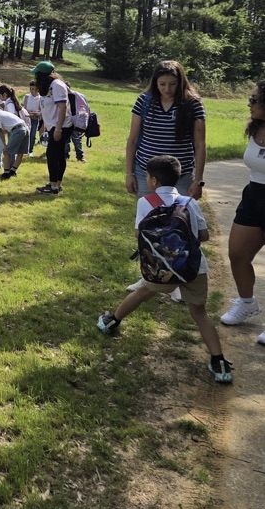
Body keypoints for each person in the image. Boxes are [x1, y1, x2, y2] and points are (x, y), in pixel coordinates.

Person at [97, 155, 233, 384]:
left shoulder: (145, 202)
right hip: (193, 268)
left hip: (161, 270)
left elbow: (139, 234)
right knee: (199, 314)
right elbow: (204, 236)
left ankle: (111, 321)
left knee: (141, 293)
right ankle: (219, 363)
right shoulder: (190, 203)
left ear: (152, 180)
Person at [219, 81, 265, 338]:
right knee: (237, 254)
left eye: (255, 100)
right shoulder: (255, 127)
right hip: (254, 195)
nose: (250, 103)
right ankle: (247, 303)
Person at [125, 60, 206, 199]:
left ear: (180, 82)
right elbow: (132, 140)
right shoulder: (144, 101)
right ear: (155, 82)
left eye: (172, 84)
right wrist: (129, 174)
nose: (167, 89)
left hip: (181, 176)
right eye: (162, 84)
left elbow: (200, 145)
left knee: (178, 218)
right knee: (148, 218)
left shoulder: (193, 104)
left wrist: (198, 181)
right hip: (147, 175)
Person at [32, 60, 72, 195]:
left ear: (42, 75)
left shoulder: (57, 85)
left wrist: (58, 129)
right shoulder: (51, 86)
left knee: (52, 154)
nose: (35, 78)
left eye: (36, 75)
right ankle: (56, 184)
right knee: (59, 154)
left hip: (61, 126)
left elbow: (63, 108)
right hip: (54, 126)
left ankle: (53, 187)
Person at [0, 104, 29, 179]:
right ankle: (13, 171)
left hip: (17, 130)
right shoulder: (2, 112)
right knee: (21, 152)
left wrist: (4, 145)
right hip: (25, 127)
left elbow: (0, 131)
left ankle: (6, 173)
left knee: (6, 151)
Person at [22, 80, 42, 154]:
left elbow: (42, 110)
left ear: (37, 89)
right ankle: (24, 150)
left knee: (32, 135)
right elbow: (22, 107)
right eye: (31, 89)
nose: (32, 91)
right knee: (26, 134)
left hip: (34, 119)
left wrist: (37, 113)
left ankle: (30, 150)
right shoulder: (27, 97)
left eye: (34, 89)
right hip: (26, 118)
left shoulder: (40, 98)